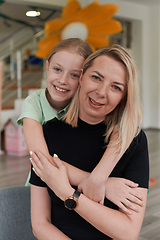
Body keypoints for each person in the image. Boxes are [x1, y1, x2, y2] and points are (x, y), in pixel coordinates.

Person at [29, 44, 149, 240]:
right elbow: (40, 224)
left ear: (123, 97)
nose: (101, 92)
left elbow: (128, 232)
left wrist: (68, 193)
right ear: (82, 77)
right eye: (96, 78)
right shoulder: (48, 132)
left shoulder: (133, 141)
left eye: (116, 87)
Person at [18, 38, 138, 205]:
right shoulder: (33, 103)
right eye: (57, 69)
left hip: (81, 194)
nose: (63, 80)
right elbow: (42, 160)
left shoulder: (88, 102)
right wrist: (101, 182)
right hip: (41, 189)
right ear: (47, 67)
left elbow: (125, 125)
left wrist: (98, 178)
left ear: (83, 77)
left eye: (74, 75)